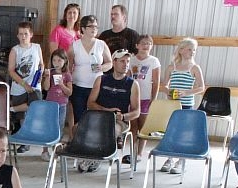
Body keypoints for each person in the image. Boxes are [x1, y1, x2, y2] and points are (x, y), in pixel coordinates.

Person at [85, 49, 140, 172]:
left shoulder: (132, 84)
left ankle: (97, 157)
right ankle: (86, 154)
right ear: (114, 62)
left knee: (112, 129)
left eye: (127, 61)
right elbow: (90, 103)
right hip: (99, 116)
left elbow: (136, 112)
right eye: (122, 61)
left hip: (119, 121)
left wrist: (123, 116)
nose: (125, 64)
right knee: (77, 128)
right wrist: (106, 110)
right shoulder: (101, 79)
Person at [159, 37, 205, 174]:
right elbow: (164, 85)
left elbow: (201, 87)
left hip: (186, 105)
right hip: (172, 104)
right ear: (182, 50)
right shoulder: (171, 67)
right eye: (190, 49)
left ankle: (181, 160)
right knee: (171, 131)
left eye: (194, 50)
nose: (192, 52)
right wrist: (168, 92)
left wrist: (186, 92)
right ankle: (169, 158)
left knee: (183, 133)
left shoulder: (195, 68)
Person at [68, 15, 112, 137]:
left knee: (96, 116)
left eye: (96, 27)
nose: (94, 29)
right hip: (78, 86)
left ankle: (94, 141)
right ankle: (78, 142)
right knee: (79, 116)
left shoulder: (101, 44)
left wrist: (101, 67)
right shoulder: (74, 45)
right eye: (91, 26)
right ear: (82, 28)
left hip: (97, 86)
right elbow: (68, 67)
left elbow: (110, 63)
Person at [8, 21, 43, 153]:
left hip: (35, 84)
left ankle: (11, 109)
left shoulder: (37, 48)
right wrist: (24, 84)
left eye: (26, 34)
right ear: (17, 35)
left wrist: (40, 73)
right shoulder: (15, 50)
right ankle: (25, 141)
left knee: (34, 108)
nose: (23, 36)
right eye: (21, 34)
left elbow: (41, 64)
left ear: (31, 34)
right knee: (22, 115)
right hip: (19, 85)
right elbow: (11, 70)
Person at [128, 34, 161, 164]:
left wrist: (154, 99)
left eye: (149, 43)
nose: (146, 45)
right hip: (133, 97)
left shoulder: (153, 61)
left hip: (146, 97)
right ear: (137, 45)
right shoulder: (131, 60)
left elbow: (156, 81)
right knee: (133, 126)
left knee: (143, 127)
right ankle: (132, 151)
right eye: (143, 43)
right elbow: (128, 78)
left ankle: (139, 153)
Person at [48, 2, 81, 129]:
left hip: (75, 72)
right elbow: (53, 52)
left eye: (74, 13)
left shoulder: (79, 34)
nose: (72, 15)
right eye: (69, 12)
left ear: (78, 16)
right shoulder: (58, 30)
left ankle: (72, 133)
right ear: (65, 15)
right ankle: (55, 131)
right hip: (61, 71)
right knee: (60, 101)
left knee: (71, 103)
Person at [40, 48, 73, 161]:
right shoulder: (51, 72)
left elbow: (69, 92)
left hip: (62, 106)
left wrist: (62, 85)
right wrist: (47, 76)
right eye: (54, 60)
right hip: (50, 105)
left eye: (59, 60)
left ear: (65, 61)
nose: (57, 63)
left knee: (59, 127)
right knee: (48, 127)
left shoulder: (67, 75)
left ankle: (56, 150)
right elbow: (46, 88)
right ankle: (45, 151)